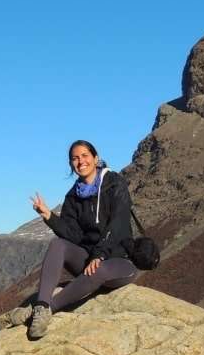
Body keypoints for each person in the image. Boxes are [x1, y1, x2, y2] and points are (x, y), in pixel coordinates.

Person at [28, 140, 138, 340]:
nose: (80, 161)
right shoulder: (73, 196)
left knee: (100, 268)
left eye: (85, 156)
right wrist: (49, 216)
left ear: (96, 159)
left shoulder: (114, 183)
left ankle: (49, 308)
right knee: (58, 244)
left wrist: (100, 254)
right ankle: (42, 305)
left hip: (118, 261)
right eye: (75, 158)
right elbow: (73, 236)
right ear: (71, 164)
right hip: (88, 262)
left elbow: (119, 222)